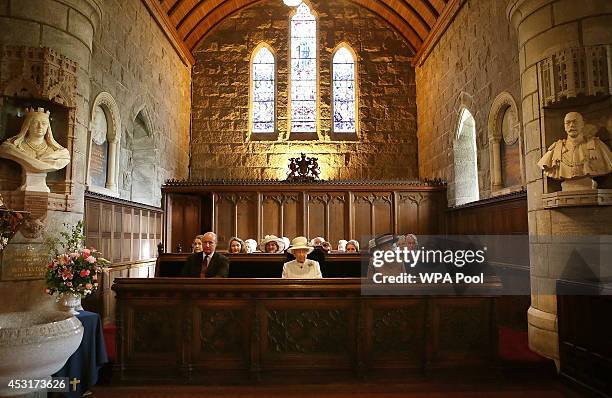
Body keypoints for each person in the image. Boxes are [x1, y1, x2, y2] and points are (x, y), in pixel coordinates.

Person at [537, 111, 612, 180]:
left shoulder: (598, 146)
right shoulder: (556, 149)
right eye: (568, 122)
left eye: (575, 122)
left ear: (582, 124)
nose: (572, 125)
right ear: (565, 127)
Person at [0, 107, 70, 172]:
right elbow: (5, 150)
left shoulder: (61, 154)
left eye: (44, 123)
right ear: (28, 125)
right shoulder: (12, 147)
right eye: (35, 123)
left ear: (48, 127)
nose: (40, 127)